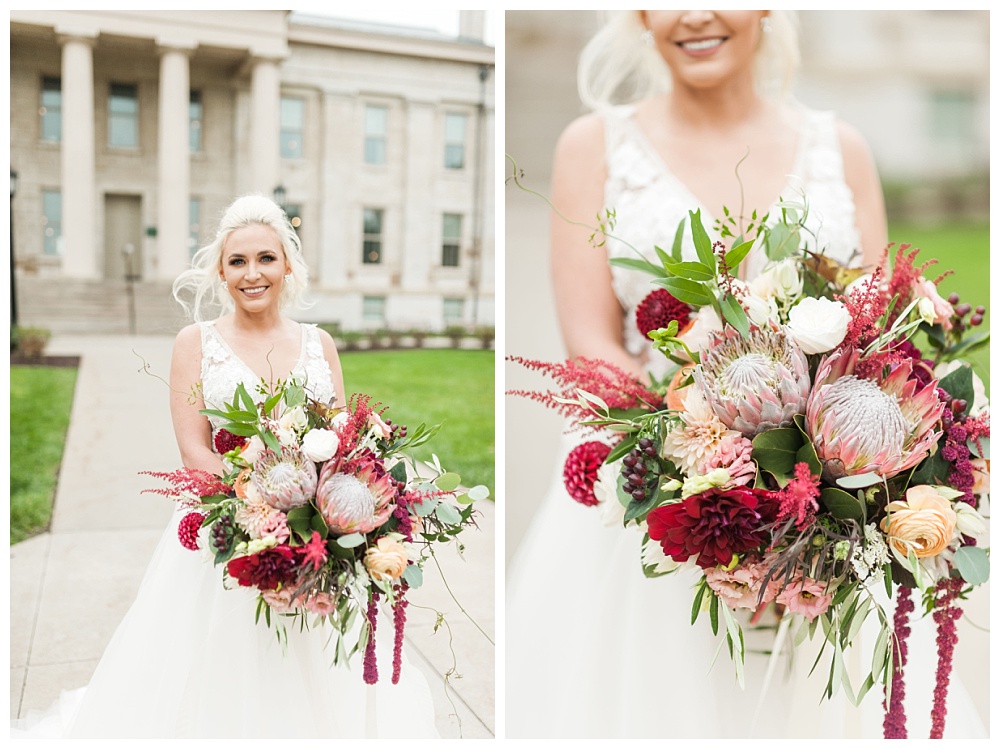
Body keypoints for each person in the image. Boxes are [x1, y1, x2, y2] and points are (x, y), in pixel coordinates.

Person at [505, 10, 986, 738]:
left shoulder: (841, 147)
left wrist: (828, 479)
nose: (693, 14)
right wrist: (703, 455)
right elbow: (589, 342)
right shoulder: (593, 146)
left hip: (835, 497)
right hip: (662, 492)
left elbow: (885, 335)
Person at [12, 195, 440, 739]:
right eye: (237, 261)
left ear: (288, 264)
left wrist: (325, 518)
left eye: (266, 258)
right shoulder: (196, 343)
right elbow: (193, 451)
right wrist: (264, 519)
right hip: (227, 530)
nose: (252, 273)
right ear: (220, 270)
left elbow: (340, 438)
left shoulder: (318, 343)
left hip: (316, 535)